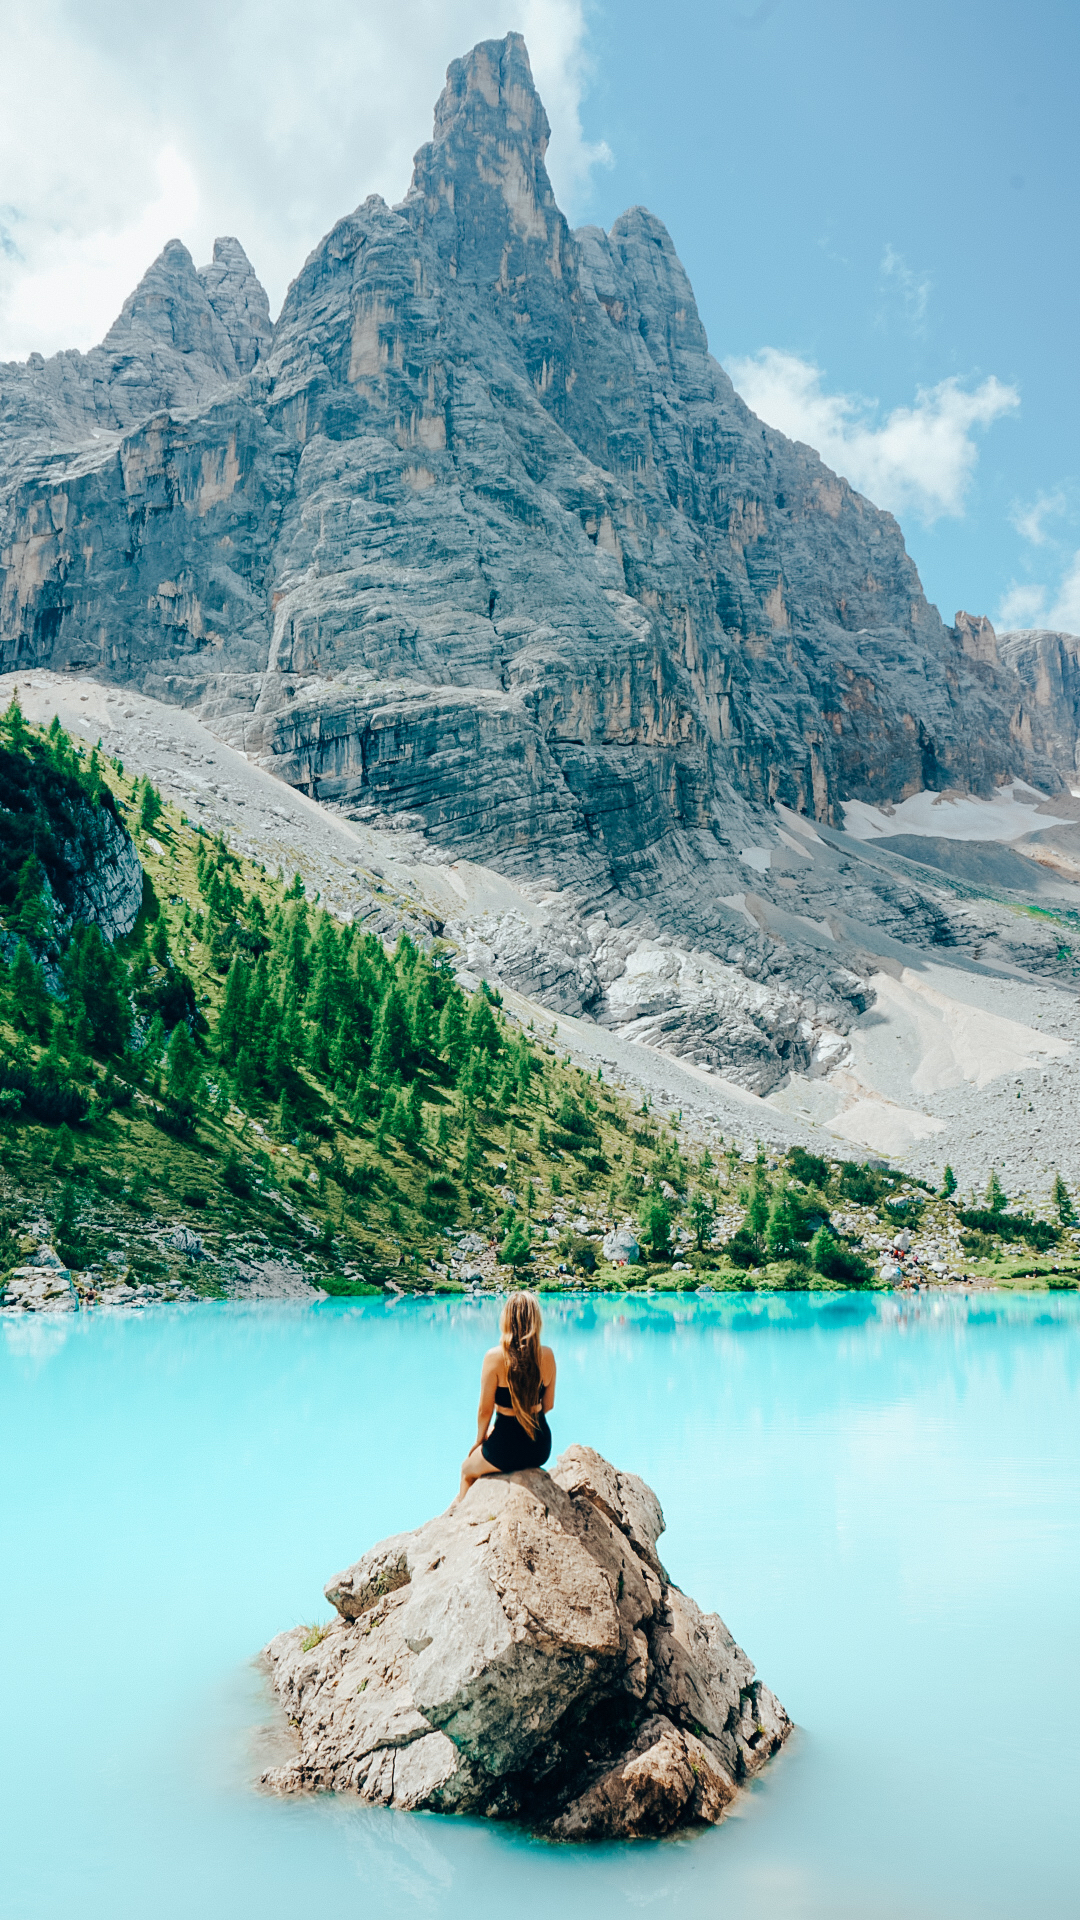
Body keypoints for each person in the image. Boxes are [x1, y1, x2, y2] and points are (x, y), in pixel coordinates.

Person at [457, 1290, 556, 1501]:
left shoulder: (494, 1357)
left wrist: (479, 1441)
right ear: (535, 1320)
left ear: (506, 1319)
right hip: (539, 1447)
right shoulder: (547, 1354)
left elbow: (485, 1411)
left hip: (505, 1447)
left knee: (466, 1471)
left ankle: (458, 1520)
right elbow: (548, 1405)